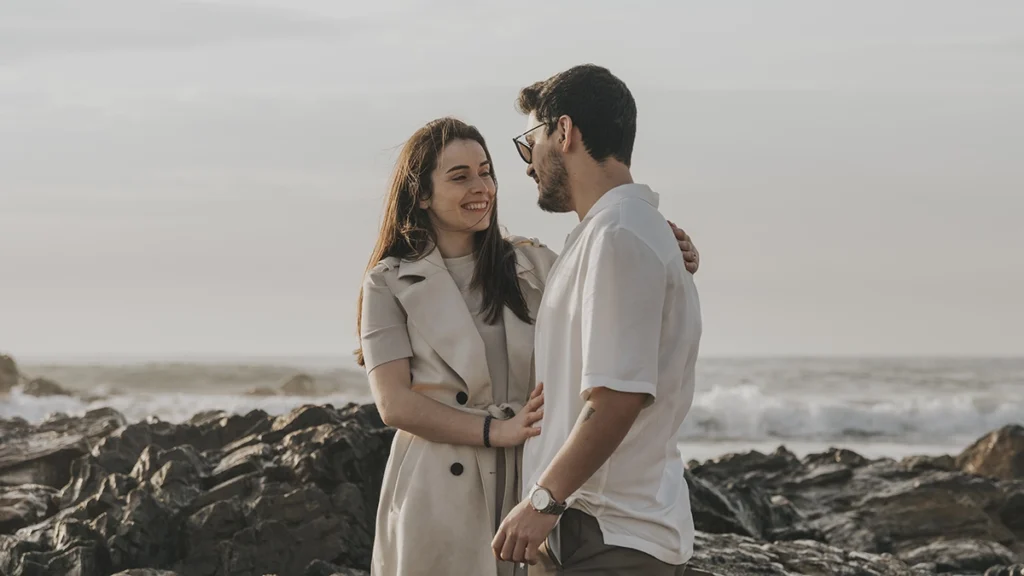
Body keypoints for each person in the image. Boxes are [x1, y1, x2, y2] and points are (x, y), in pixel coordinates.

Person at [356, 117, 700, 576]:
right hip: (436, 487)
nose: (482, 187)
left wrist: (673, 250)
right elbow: (393, 403)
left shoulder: (532, 262)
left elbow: (616, 284)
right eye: (460, 177)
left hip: (527, 481)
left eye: (486, 171)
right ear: (421, 194)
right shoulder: (388, 282)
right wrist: (494, 432)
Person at [492, 65, 702, 575]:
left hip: (612, 537)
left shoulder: (620, 237)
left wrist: (543, 502)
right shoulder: (611, 234)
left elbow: (617, 398)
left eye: (530, 142)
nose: (526, 165)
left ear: (564, 132)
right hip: (590, 529)